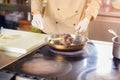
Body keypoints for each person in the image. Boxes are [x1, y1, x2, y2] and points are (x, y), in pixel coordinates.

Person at [31, 0, 101, 35]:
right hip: (51, 29)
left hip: (76, 31)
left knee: (75, 62)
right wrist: (36, 13)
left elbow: (95, 1)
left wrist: (87, 19)